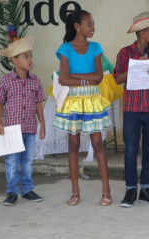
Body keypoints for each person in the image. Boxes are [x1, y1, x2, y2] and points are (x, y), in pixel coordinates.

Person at [54, 10, 112, 206]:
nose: (92, 27)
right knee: (73, 145)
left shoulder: (95, 47)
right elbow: (63, 79)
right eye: (88, 23)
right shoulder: (65, 48)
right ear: (77, 26)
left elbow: (99, 77)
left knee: (97, 144)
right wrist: (86, 79)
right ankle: (75, 192)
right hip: (73, 101)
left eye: (93, 23)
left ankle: (106, 191)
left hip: (92, 100)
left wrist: (76, 77)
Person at [114, 12, 149, 208]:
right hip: (132, 110)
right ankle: (130, 190)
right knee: (130, 151)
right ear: (143, 33)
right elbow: (117, 79)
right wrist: (134, 69)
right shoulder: (124, 53)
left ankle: (146, 189)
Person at [0, 36, 46, 206]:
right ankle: (11, 192)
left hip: (30, 128)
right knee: (12, 162)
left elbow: (39, 104)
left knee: (27, 161)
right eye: (25, 56)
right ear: (14, 60)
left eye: (30, 55)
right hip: (11, 129)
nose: (30, 60)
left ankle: (27, 189)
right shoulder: (6, 80)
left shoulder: (35, 81)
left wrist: (42, 125)